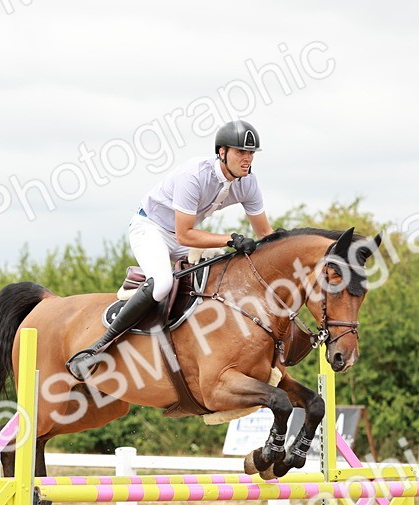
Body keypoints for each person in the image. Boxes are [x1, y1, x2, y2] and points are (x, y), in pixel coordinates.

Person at [66, 119, 275, 381]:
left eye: (251, 153)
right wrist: (230, 239)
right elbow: (185, 233)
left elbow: (266, 234)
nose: (247, 159)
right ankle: (97, 347)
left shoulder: (248, 182)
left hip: (182, 236)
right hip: (151, 228)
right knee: (163, 284)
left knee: (220, 278)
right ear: (221, 152)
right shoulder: (195, 175)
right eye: (240, 152)